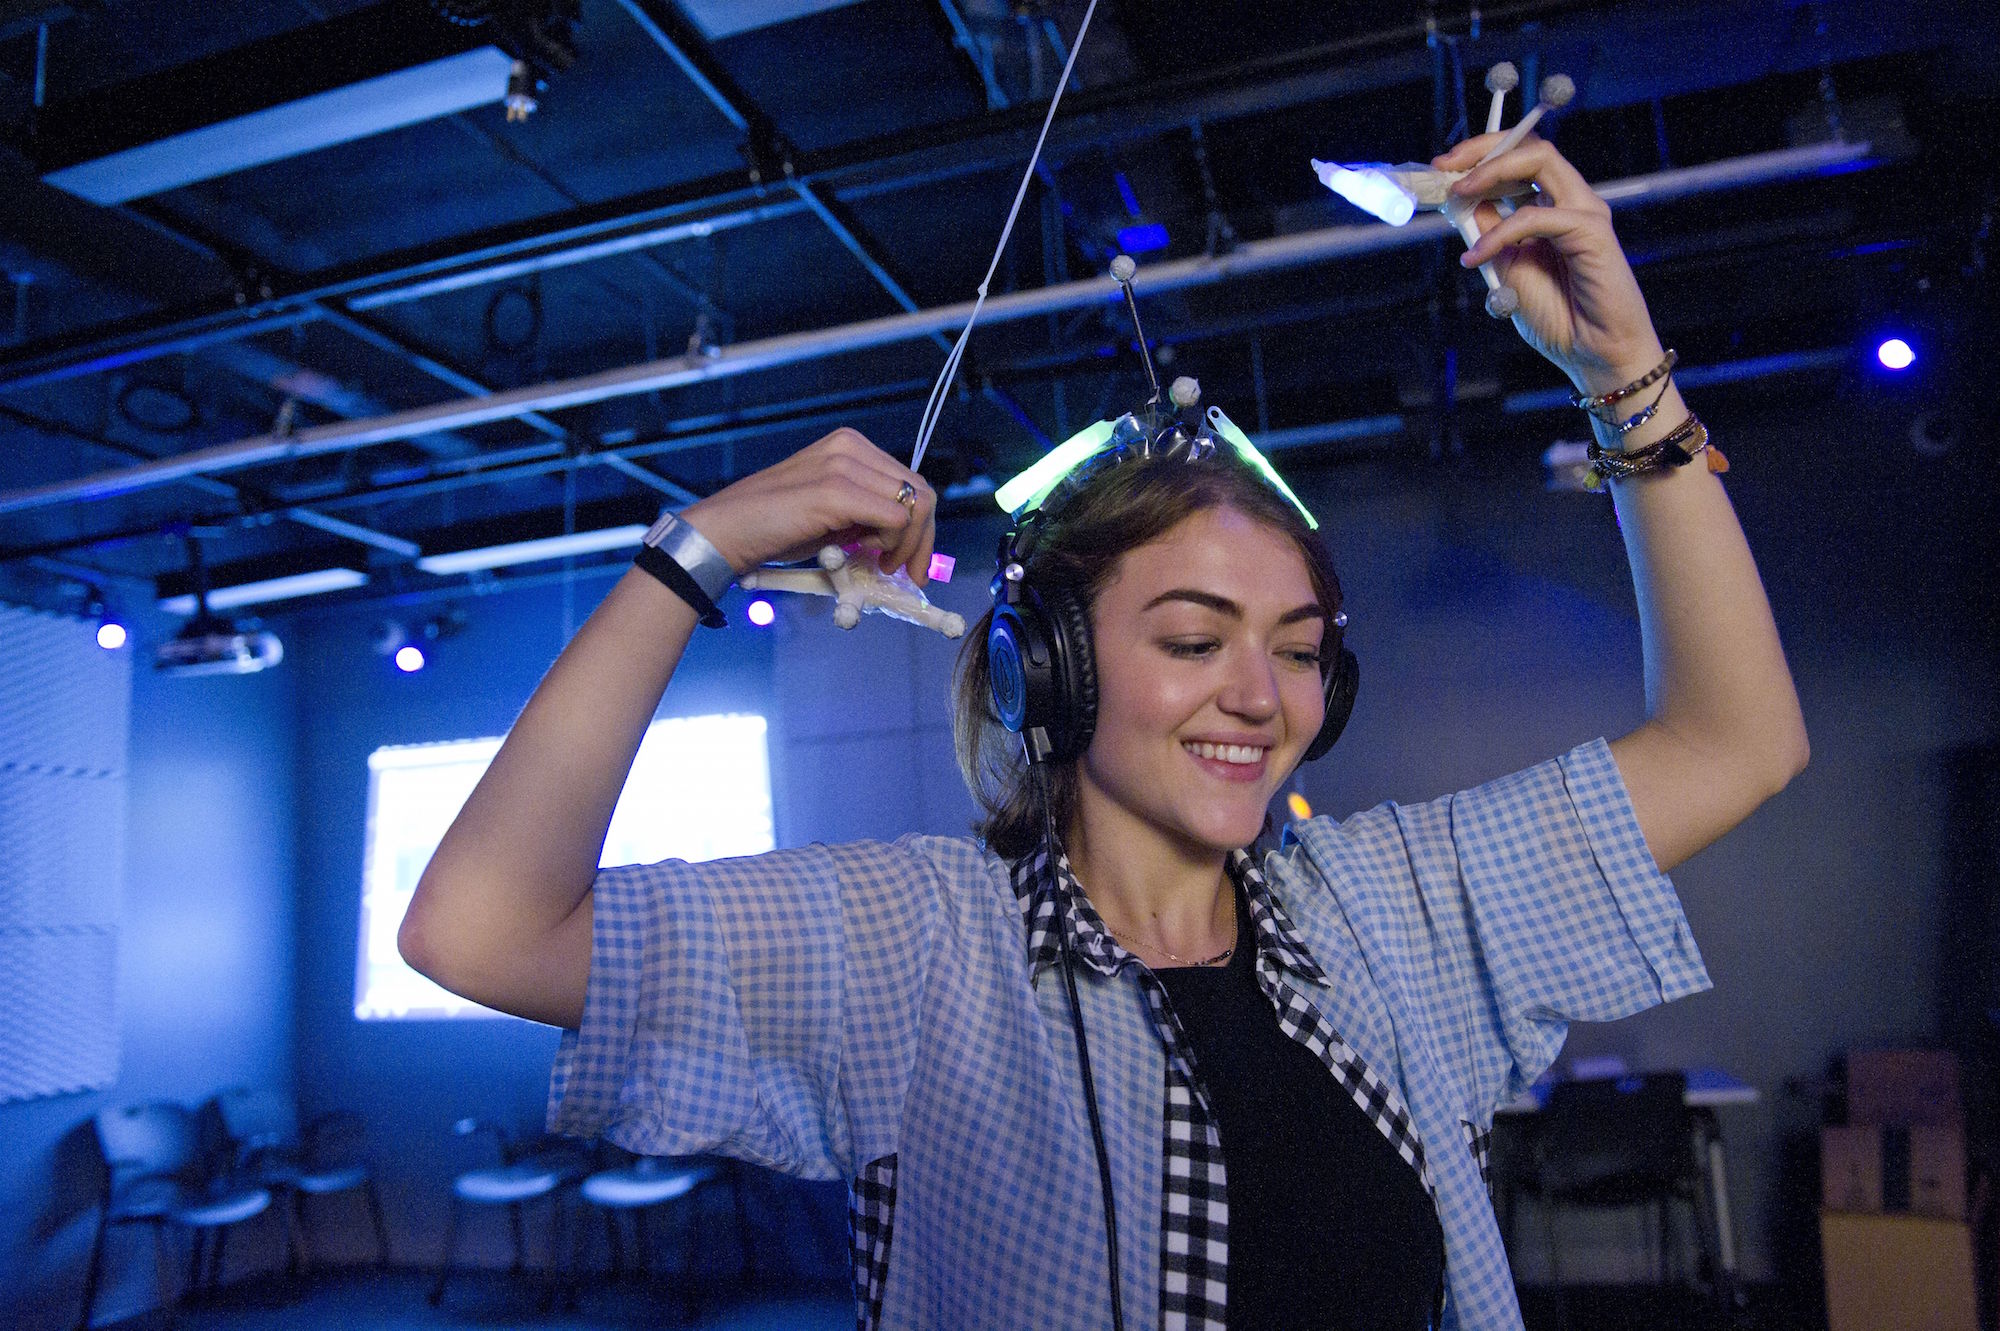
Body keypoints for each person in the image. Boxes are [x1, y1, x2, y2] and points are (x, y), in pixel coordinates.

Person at [399, 131, 1808, 1331]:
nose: (1261, 697)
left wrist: (1627, 379)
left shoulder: (1394, 912)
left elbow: (1736, 741)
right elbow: (480, 930)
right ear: (1046, 677)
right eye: (1194, 642)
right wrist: (691, 552)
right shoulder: (917, 951)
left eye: (1302, 652)